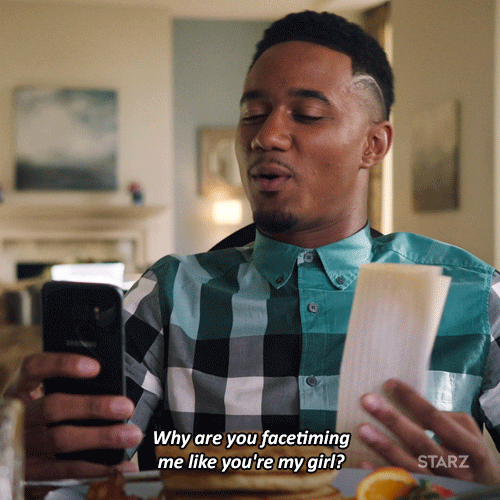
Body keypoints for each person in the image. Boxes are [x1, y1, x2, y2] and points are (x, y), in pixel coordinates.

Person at [7, 10, 500, 489]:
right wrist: (17, 445)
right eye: (252, 115)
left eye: (307, 114)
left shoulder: (476, 296)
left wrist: (490, 485)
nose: (266, 136)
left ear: (374, 145)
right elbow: (77, 466)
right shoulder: (170, 294)